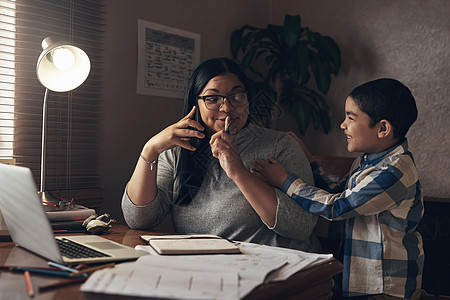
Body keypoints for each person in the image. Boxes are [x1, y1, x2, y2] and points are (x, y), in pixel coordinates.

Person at [122, 57, 321, 252]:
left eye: (237, 96)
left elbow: (301, 226)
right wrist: (150, 150)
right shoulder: (178, 151)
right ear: (195, 103)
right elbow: (139, 219)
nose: (227, 108)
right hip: (202, 269)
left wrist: (238, 172)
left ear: (248, 100)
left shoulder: (281, 145)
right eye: (212, 99)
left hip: (274, 270)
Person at [252, 78, 424, 299]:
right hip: (360, 281)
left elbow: (338, 207)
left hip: (385, 288)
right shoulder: (366, 161)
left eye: (350, 118)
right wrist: (310, 160)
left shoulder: (395, 172)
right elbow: (336, 193)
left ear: (382, 129)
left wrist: (285, 181)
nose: (342, 125)